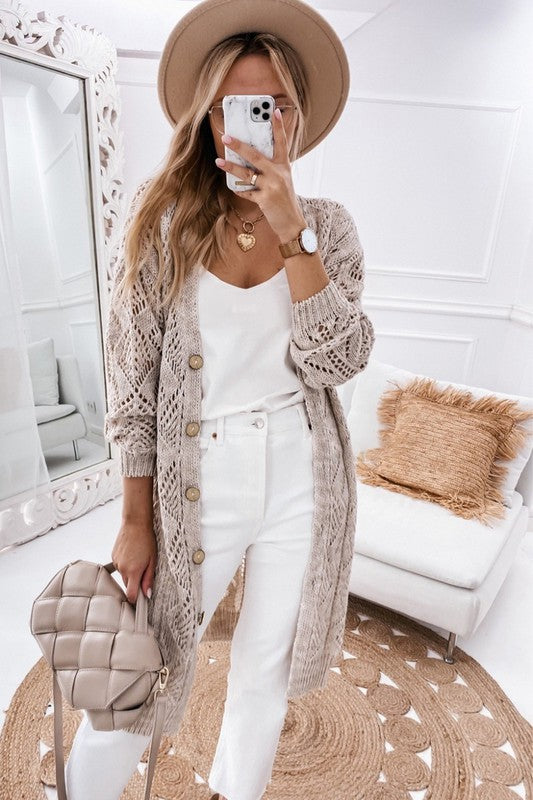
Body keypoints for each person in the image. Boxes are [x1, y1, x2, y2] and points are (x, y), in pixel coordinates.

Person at [64, 1, 375, 799]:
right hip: (195, 471)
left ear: (294, 117)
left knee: (264, 670)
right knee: (142, 667)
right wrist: (135, 518)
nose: (255, 123)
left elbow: (338, 359)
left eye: (272, 105)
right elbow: (134, 387)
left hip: (302, 476)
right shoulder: (164, 221)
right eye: (234, 107)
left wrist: (291, 230)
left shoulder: (330, 229)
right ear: (208, 119)